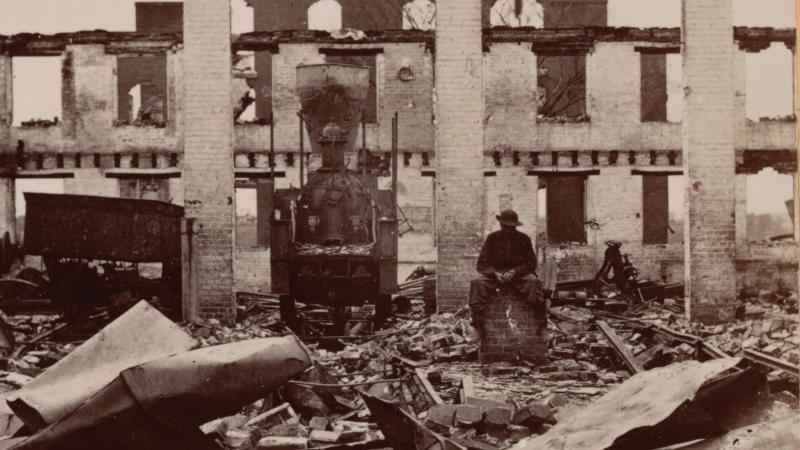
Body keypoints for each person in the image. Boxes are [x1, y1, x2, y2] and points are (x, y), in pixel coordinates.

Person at [469, 209, 543, 330]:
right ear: (501, 225)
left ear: (515, 226)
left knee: (534, 283)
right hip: (496, 275)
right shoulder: (492, 238)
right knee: (476, 282)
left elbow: (531, 263)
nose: (508, 230)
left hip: (519, 275)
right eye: (505, 226)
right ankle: (478, 326)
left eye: (511, 227)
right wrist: (493, 273)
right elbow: (482, 263)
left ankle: (541, 324)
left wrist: (515, 271)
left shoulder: (524, 239)